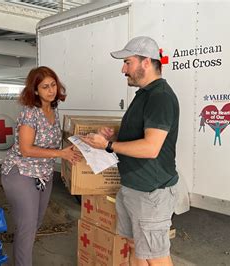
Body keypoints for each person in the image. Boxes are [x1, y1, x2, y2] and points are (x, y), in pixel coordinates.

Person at [82, 36, 179, 266]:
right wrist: (113, 135)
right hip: (133, 189)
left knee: (156, 256)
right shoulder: (144, 94)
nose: (123, 69)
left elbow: (151, 147)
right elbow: (141, 136)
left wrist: (107, 145)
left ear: (146, 62)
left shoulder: (160, 97)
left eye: (128, 62)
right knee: (136, 247)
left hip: (151, 192)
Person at [0, 66, 82, 266]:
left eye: (53, 85)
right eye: (45, 87)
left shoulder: (53, 109)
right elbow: (26, 149)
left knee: (34, 224)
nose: (51, 90)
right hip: (21, 172)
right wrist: (60, 154)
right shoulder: (30, 113)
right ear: (35, 90)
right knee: (27, 227)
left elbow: (54, 140)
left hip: (43, 175)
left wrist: (84, 140)